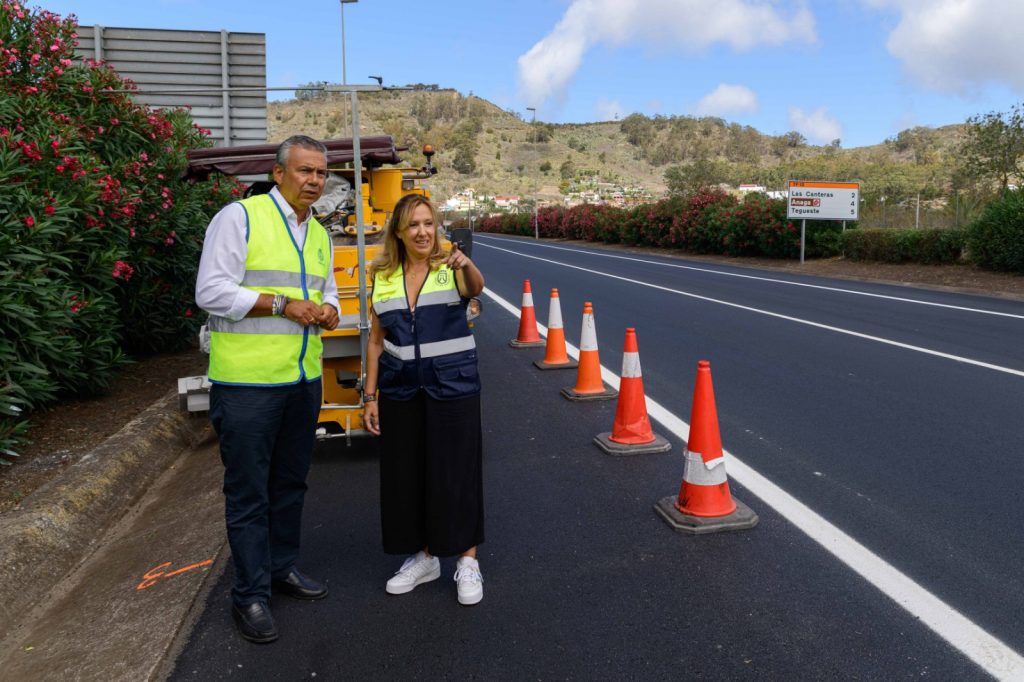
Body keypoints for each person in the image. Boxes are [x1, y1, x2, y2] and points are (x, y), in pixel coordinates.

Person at [195, 135, 340, 643]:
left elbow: (329, 296)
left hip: (301, 382)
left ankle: (282, 568)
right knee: (249, 493)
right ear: (279, 174)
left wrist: (328, 312)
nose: (314, 181)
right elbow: (210, 290)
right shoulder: (241, 218)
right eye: (304, 171)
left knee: (290, 485)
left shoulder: (319, 233)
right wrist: (282, 305)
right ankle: (250, 596)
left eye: (321, 173)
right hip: (248, 385)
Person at [362, 194, 487, 606]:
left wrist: (464, 261)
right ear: (398, 230)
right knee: (409, 476)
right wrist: (370, 396)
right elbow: (376, 340)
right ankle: (426, 556)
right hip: (400, 389)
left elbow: (476, 288)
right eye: (413, 224)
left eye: (429, 223)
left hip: (453, 386)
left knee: (456, 472)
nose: (422, 232)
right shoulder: (381, 275)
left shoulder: (449, 266)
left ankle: (467, 560)